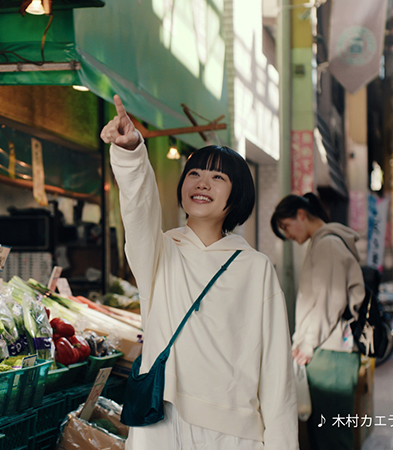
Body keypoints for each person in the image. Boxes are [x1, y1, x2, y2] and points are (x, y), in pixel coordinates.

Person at [102, 95, 297, 450]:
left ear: (236, 196)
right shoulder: (159, 252)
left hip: (232, 432)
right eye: (194, 173)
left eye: (217, 177)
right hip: (158, 420)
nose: (202, 183)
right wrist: (131, 153)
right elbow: (138, 209)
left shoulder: (255, 268)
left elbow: (275, 368)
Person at [270, 193, 365, 450]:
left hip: (330, 354)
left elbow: (328, 301)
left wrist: (307, 343)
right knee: (328, 433)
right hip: (331, 351)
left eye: (286, 226)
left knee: (331, 435)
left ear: (301, 214)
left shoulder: (328, 245)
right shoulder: (326, 243)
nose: (287, 234)